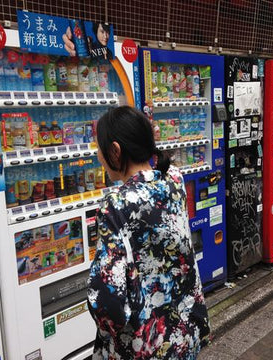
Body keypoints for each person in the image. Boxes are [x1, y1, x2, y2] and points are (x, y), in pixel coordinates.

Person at [87, 106, 210, 359]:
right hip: (185, 331)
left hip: (146, 343)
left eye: (100, 149)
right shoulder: (174, 179)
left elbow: (107, 302)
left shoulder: (116, 205)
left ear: (115, 151)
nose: (98, 156)